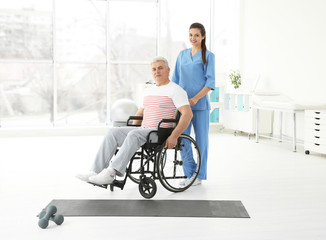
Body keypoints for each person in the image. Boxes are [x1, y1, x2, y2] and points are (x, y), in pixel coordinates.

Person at [76, 57, 193, 185]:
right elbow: (140, 113)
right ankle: (94, 171)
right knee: (113, 132)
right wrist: (128, 130)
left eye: (160, 68)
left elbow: (187, 115)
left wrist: (174, 136)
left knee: (134, 134)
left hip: (160, 132)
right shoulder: (149, 90)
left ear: (168, 70)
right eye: (154, 69)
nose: (157, 71)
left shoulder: (176, 90)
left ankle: (111, 173)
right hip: (143, 130)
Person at [172, 22, 215, 186]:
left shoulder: (209, 56)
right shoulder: (182, 54)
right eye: (190, 35)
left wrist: (196, 98)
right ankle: (190, 173)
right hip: (183, 106)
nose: (193, 38)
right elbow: (175, 80)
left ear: (203, 36)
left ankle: (200, 175)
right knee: (182, 139)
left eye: (196, 35)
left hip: (200, 106)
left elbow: (210, 82)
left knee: (202, 141)